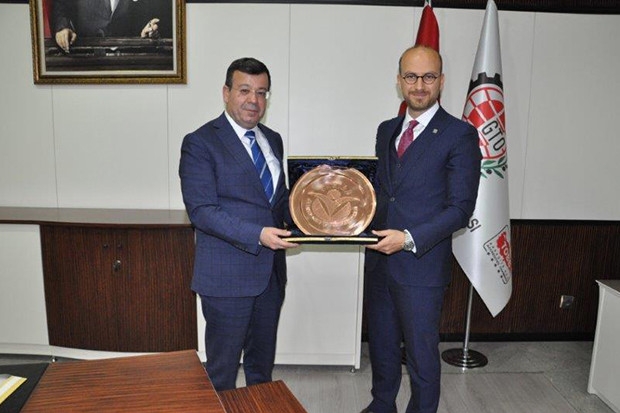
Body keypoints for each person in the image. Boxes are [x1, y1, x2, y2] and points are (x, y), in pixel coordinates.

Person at [362, 45, 482, 413]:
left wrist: (408, 239)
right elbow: (381, 193)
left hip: (422, 266)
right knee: (381, 346)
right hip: (379, 261)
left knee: (421, 356)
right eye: (411, 76)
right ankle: (382, 405)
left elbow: (460, 210)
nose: (419, 85)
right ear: (399, 81)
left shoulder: (460, 135)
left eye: (428, 77)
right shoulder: (386, 130)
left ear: (441, 81)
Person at [179, 57, 298, 391]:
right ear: (226, 93)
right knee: (222, 374)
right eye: (244, 90)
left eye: (261, 92)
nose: (253, 100)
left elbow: (277, 201)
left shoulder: (272, 139)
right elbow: (202, 211)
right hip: (226, 279)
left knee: (261, 371)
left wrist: (313, 217)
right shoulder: (200, 142)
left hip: (270, 277)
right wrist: (259, 235)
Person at [51, 0, 172, 52]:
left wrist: (145, 32)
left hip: (128, 58)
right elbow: (61, 6)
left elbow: (155, 15)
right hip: (85, 56)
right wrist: (63, 27)